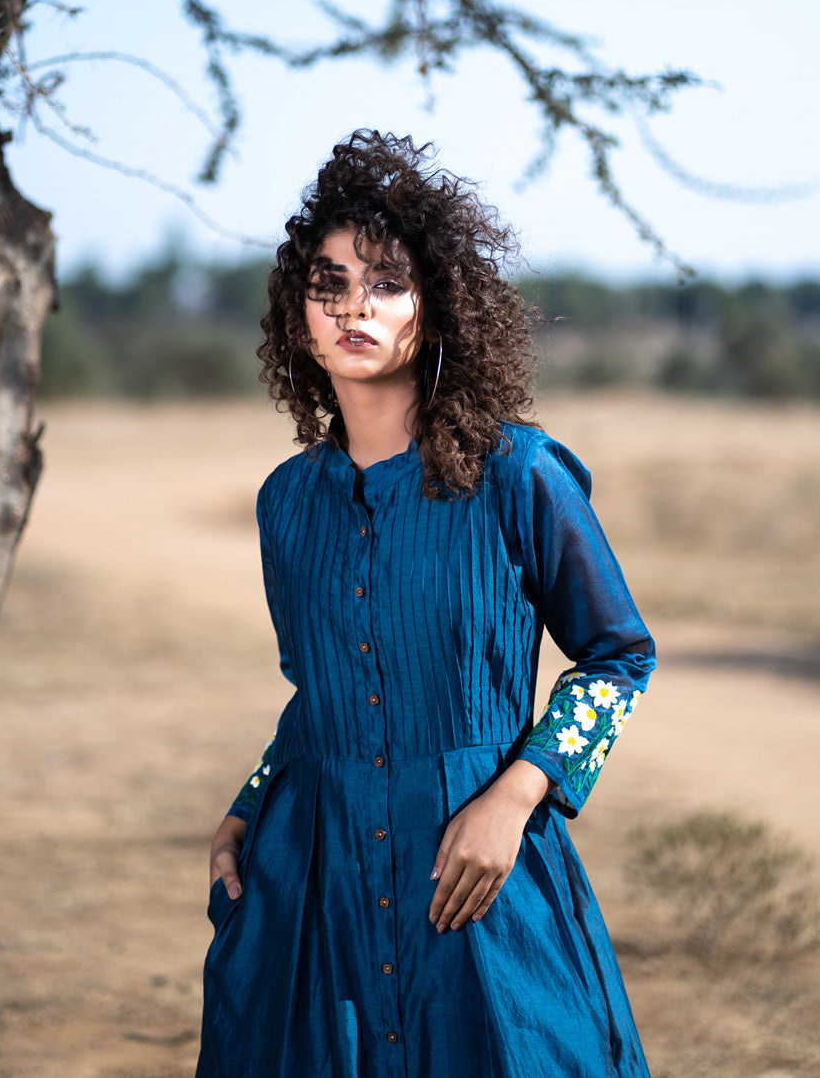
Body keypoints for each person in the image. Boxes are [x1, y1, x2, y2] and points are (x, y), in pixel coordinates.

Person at [196, 131, 655, 1078]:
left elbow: (618, 658)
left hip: (477, 869)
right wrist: (250, 800)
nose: (353, 306)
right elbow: (318, 694)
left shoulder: (519, 474)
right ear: (296, 316)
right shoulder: (287, 502)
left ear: (435, 311)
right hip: (317, 874)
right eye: (328, 284)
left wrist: (515, 800)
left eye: (386, 283)